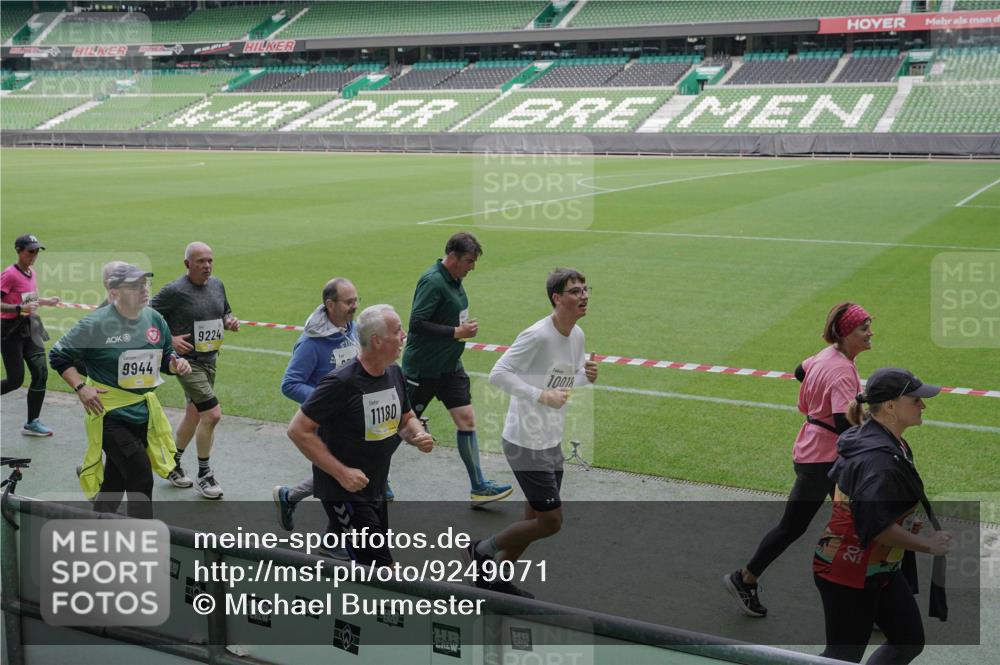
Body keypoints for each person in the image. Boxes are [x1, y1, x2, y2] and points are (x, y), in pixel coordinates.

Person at [725, 302, 873, 618]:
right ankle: (745, 578)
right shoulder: (841, 369)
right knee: (824, 525)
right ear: (847, 333)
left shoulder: (828, 355)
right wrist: (868, 424)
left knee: (848, 523)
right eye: (864, 327)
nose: (870, 332)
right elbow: (842, 424)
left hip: (812, 451)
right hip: (825, 461)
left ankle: (747, 578)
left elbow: (799, 371)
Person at [468, 268, 598, 597]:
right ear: (557, 298)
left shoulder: (577, 335)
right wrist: (539, 396)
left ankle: (495, 580)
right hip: (525, 442)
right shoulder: (537, 335)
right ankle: (481, 549)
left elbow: (564, 383)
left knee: (533, 517)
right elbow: (498, 374)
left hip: (550, 439)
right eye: (575, 291)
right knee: (550, 521)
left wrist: (586, 376)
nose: (583, 295)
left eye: (585, 289)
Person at [814, 367, 951, 663]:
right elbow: (876, 527)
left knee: (908, 640)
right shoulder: (880, 460)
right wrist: (929, 545)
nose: (923, 405)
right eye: (915, 400)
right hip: (850, 570)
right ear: (890, 406)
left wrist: (902, 519)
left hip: (876, 567)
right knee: (841, 657)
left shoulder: (884, 440)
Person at [286, 305, 433, 567]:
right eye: (397, 331)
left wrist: (417, 434)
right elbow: (298, 430)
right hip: (343, 492)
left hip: (374, 486)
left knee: (369, 567)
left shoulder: (394, 373)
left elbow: (406, 417)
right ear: (377, 341)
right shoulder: (341, 382)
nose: (404, 336)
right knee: (381, 567)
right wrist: (342, 473)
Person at [49, 264, 191, 518]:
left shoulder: (155, 318)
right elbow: (59, 356)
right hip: (109, 413)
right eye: (135, 286)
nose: (144, 290)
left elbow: (166, 353)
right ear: (114, 292)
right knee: (140, 476)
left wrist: (176, 362)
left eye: (144, 284)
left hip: (142, 412)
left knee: (116, 478)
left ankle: (98, 522)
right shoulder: (95, 323)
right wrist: (81, 388)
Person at [402, 232, 511, 506]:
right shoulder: (433, 281)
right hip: (424, 369)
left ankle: (479, 487)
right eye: (469, 261)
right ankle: (374, 479)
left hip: (450, 367)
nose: (472, 267)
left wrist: (460, 331)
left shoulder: (455, 279)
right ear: (452, 257)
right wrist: (456, 331)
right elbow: (416, 323)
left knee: (467, 421)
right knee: (401, 426)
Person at [150, 242, 238, 499]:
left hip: (210, 360)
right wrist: (170, 340)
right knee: (212, 415)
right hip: (187, 363)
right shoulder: (175, 291)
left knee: (194, 416)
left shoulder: (217, 285)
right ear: (187, 264)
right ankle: (204, 474)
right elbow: (147, 316)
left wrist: (229, 321)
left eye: (210, 260)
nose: (207, 266)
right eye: (201, 261)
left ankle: (171, 464)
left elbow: (225, 312)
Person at [273, 278, 361, 531]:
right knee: (338, 475)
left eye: (356, 300)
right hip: (326, 422)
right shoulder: (310, 343)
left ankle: (289, 498)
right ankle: (335, 540)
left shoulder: (350, 328)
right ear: (329, 304)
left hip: (350, 417)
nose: (354, 306)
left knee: (342, 471)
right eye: (348, 302)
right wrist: (328, 403)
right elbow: (290, 384)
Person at [1, 234, 61, 437]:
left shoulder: (30, 272)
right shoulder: (9, 274)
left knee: (41, 373)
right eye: (30, 251)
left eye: (37, 251)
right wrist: (19, 308)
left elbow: (29, 299)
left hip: (31, 327)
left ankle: (32, 422)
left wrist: (45, 302)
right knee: (15, 380)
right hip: (10, 331)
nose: (34, 255)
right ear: (19, 251)